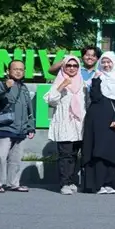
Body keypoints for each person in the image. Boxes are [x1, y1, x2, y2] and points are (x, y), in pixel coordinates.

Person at [0, 59, 35, 193]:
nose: (19, 72)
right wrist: (5, 87)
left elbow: (29, 110)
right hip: (4, 127)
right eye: (15, 69)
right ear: (8, 71)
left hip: (20, 129)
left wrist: (31, 127)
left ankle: (13, 183)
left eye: (21, 69)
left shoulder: (24, 88)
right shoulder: (1, 84)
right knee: (1, 157)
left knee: (16, 158)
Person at [83, 52, 115, 194]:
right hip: (97, 120)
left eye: (109, 62)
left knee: (112, 151)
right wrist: (96, 80)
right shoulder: (97, 78)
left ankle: (110, 182)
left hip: (113, 121)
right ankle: (97, 184)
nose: (106, 65)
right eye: (104, 62)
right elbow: (95, 97)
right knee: (98, 151)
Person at [45, 55, 87, 195]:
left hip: (79, 123)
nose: (72, 68)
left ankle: (72, 181)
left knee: (75, 154)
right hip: (64, 122)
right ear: (63, 67)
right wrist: (62, 86)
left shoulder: (82, 82)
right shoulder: (59, 80)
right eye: (68, 65)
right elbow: (51, 100)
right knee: (65, 154)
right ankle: (64, 183)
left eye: (75, 66)